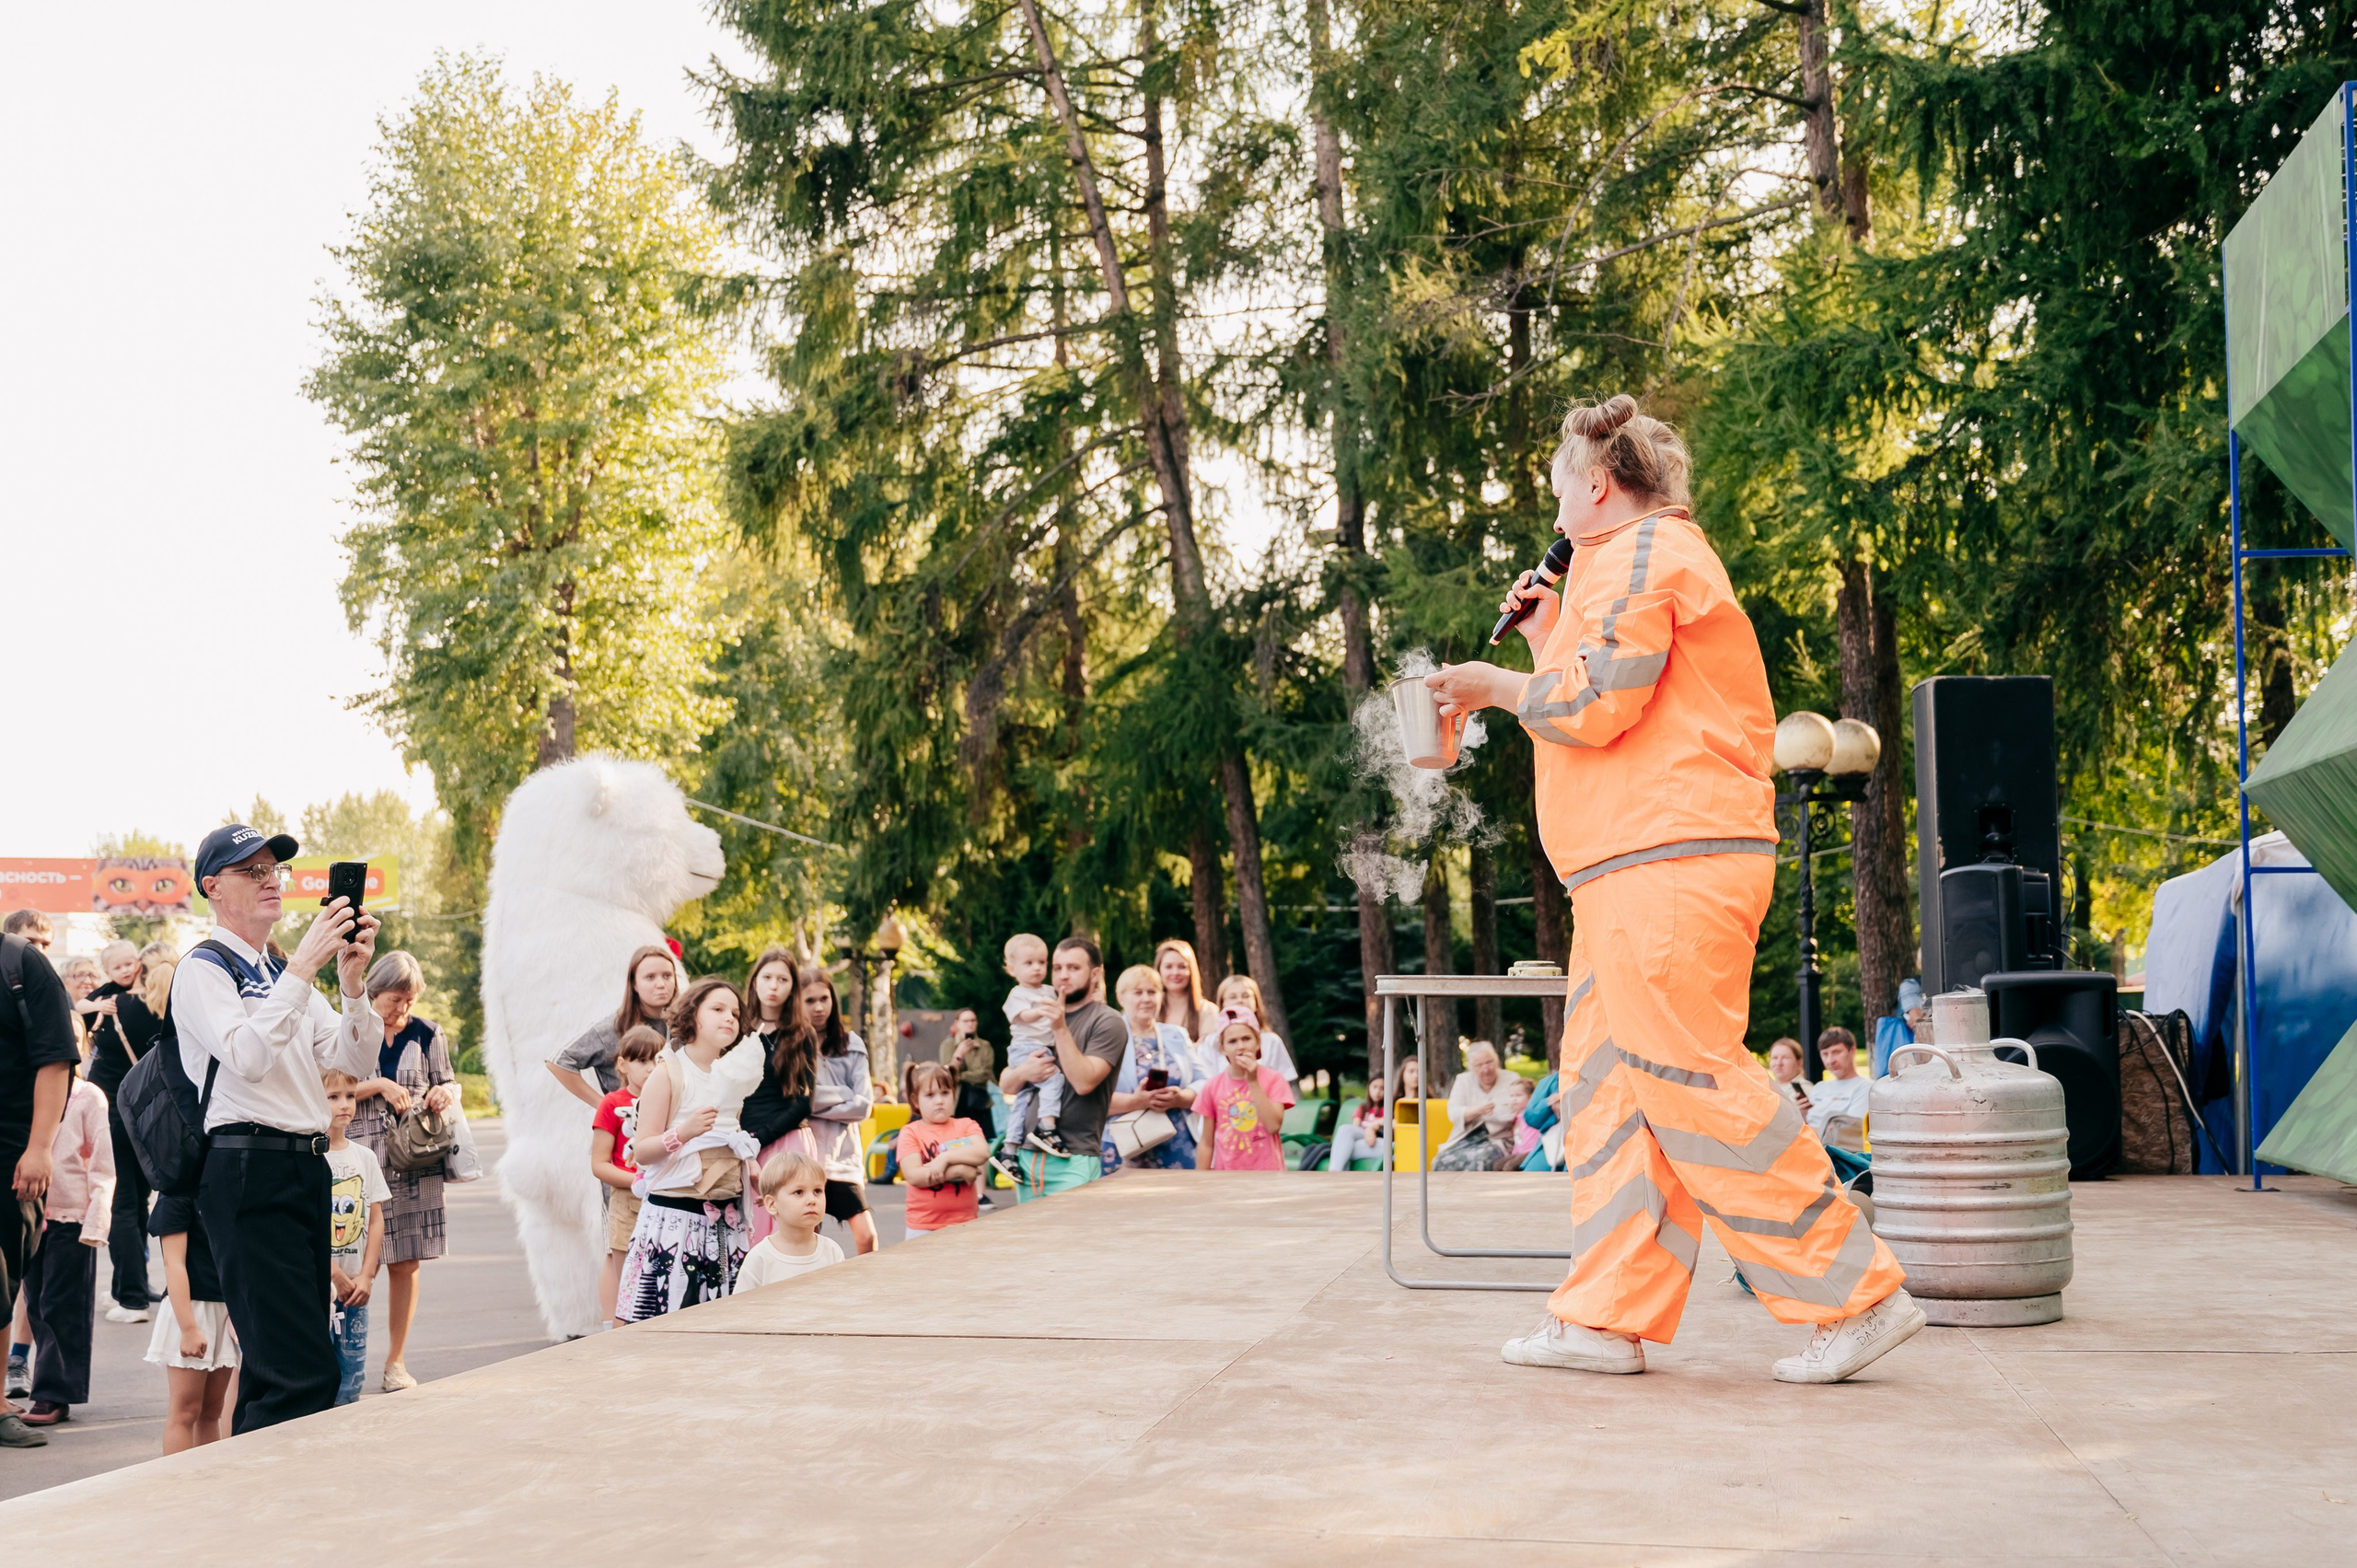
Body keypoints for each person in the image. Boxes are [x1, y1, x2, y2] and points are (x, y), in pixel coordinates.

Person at [1424, 394, 1917, 1386]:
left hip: (1670, 859)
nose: (1553, 508)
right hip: (1628, 869)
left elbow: (1599, 701)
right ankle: (1607, 1316)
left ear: (1598, 484)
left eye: (1559, 487)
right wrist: (1543, 638)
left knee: (1691, 1080)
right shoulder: (1618, 563)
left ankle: (1854, 1292)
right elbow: (1600, 693)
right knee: (1606, 1093)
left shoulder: (1646, 552)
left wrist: (1493, 685)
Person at [174, 822, 384, 1432]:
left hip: (302, 1165)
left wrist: (351, 984)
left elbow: (353, 1059)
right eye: (253, 871)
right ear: (213, 886)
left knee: (282, 1365)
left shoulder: (279, 970)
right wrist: (307, 965)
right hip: (248, 1163)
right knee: (298, 1369)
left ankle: (257, 1481)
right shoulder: (205, 968)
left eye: (275, 869)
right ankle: (284, 1483)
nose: (272, 881)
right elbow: (247, 1055)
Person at [617, 978, 764, 1320]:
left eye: (735, 1013)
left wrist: (750, 1165)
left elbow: (730, 1133)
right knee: (666, 1320)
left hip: (725, 1219)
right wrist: (683, 1133)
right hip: (675, 1219)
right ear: (693, 1015)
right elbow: (643, 1150)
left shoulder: (732, 1075)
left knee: (722, 1322)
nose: (729, 1018)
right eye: (718, 1009)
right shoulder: (668, 1074)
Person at [346, 951, 456, 1392]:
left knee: (406, 1263)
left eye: (409, 1000)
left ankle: (395, 1363)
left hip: (415, 1160)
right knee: (353, 1260)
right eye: (395, 999)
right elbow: (326, 1086)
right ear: (374, 991)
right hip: (358, 1157)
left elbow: (447, 1080)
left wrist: (444, 1094)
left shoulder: (428, 1032)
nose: (402, 1009)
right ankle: (344, 1363)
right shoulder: (352, 1028)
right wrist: (379, 1086)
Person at [0, 912, 76, 1449]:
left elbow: (55, 1060)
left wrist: (39, 1148)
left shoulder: (20, 962)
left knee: (1, 1282)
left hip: (11, 1154)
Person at [997, 936, 1129, 1200]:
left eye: (1073, 968)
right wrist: (1023, 1072)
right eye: (1057, 968)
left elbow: (1084, 1082)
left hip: (1074, 1156)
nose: (1063, 975)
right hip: (1026, 1158)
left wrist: (1059, 1028)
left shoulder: (1107, 1021)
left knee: (1073, 1228)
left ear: (1095, 974)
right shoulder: (1040, 1012)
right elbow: (1007, 1084)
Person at [16, 1071, 112, 1427]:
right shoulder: (26, 1091)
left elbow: (103, 1165)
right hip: (29, 1209)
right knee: (35, 1303)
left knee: (62, 1305)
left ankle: (54, 1393)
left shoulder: (89, 1097)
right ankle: (50, 1385)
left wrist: (96, 1222)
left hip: (72, 1216)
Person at [81, 939, 168, 1322]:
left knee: (122, 1204)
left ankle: (131, 1298)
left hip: (115, 1115)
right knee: (139, 1200)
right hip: (148, 1118)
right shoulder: (164, 1007)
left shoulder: (118, 1005)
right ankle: (130, 1285)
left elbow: (76, 1017)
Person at [790, 967, 879, 1254]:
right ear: (797, 1002)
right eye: (810, 1000)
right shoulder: (790, 1046)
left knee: (866, 1236)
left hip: (843, 1159)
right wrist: (843, 1093)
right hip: (804, 1156)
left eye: (824, 999)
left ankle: (869, 1281)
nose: (819, 1008)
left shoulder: (851, 1044)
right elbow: (793, 1101)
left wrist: (810, 1107)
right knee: (806, 1241)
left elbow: (863, 1106)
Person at [145, 1186, 237, 1453]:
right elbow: (173, 1263)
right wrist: (188, 1328)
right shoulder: (176, 1192)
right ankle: (178, 1478)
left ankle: (209, 1476)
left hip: (226, 1307)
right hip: (191, 1307)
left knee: (212, 1410)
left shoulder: (226, 1186)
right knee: (185, 1411)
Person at [322, 1070, 389, 1407]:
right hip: (319, 1288)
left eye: (350, 1096)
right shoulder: (309, 1157)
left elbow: (375, 1220)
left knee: (351, 1378)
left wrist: (366, 1275)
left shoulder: (365, 1157)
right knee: (318, 1376)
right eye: (333, 1097)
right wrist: (333, 1272)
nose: (345, 1105)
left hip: (355, 1290)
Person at [591, 1026, 664, 1328]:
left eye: (657, 1060)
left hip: (665, 1202)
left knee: (659, 1285)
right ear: (622, 1065)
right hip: (626, 1203)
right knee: (629, 1289)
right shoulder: (611, 1103)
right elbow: (599, 1164)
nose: (650, 1068)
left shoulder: (671, 1101)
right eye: (642, 1061)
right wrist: (636, 1181)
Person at [547, 943, 679, 1109]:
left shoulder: (683, 1024)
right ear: (634, 984)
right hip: (630, 1121)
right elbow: (559, 1062)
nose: (661, 984)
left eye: (667, 975)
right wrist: (606, 1106)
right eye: (650, 977)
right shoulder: (613, 1027)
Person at [1102, 964, 1202, 1173]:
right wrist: (1135, 1101)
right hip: (1124, 1146)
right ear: (1121, 998)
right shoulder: (1107, 1036)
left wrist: (1181, 1098)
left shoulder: (1176, 1035)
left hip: (1177, 1144)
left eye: (1152, 992)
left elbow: (1205, 1082)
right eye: (1138, 992)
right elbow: (1092, 1097)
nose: (1146, 998)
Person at [997, 933, 1070, 1158]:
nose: (1037, 968)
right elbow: (1024, 1016)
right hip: (1026, 1048)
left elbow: (1062, 1006)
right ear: (1012, 969)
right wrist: (1042, 1011)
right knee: (1055, 1079)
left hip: (1040, 1046)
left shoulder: (1048, 990)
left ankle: (1009, 1147)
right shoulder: (1017, 994)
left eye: (1041, 962)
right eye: (1028, 963)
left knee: (1023, 1098)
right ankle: (1046, 1126)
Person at [895, 1063, 988, 1235]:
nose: (939, 1101)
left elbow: (982, 1152)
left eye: (945, 1093)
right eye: (930, 1095)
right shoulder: (910, 1132)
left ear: (954, 1094)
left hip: (965, 1223)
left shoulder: (966, 1125)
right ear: (915, 1100)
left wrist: (945, 1158)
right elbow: (914, 1176)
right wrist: (959, 1170)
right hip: (923, 1226)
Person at [733, 1150, 843, 1291]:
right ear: (772, 1204)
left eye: (817, 1191)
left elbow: (844, 1296)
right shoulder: (760, 1258)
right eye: (798, 1192)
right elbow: (741, 1303)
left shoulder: (832, 1251)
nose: (812, 1200)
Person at [1197, 1010, 1295, 1170]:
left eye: (1246, 1039)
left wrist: (1253, 1081)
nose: (1241, 1046)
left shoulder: (1274, 1079)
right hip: (1227, 1175)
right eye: (1232, 1041)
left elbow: (1273, 1126)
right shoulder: (1212, 1086)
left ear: (1258, 1042)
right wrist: (1200, 1179)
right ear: (1222, 1048)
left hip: (1268, 1174)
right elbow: (1206, 1143)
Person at [1195, 973, 1297, 1087]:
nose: (1240, 1001)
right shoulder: (1211, 1043)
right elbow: (1205, 1084)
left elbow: (1283, 1084)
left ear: (1256, 1003)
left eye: (1246, 996)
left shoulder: (1271, 1041)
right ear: (1222, 1004)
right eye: (1232, 997)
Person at [1441, 1040, 1523, 1167]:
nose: (1486, 1069)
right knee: (1441, 1160)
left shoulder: (1512, 1079)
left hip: (1499, 1139)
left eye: (1489, 1062)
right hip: (1466, 1138)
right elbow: (1453, 1114)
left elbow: (1519, 1110)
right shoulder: (1463, 1081)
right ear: (1471, 1067)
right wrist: (1478, 1110)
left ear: (1496, 1061)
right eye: (1479, 1065)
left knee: (1481, 1160)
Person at [1805, 1028, 1871, 1154]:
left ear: (1852, 1050)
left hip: (1836, 1155)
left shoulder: (1865, 1087)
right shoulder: (1819, 1087)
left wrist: (1803, 1132)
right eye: (1825, 1054)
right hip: (1808, 1150)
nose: (1830, 1060)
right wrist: (1802, 1114)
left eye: (1836, 1052)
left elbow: (1847, 1132)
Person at [945, 1007, 996, 1143]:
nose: (970, 1024)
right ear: (957, 1023)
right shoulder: (948, 1045)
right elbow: (947, 1076)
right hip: (956, 1103)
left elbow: (984, 1075)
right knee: (956, 1141)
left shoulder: (985, 1046)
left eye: (973, 1020)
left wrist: (960, 1076)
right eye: (966, 1021)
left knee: (983, 1141)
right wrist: (958, 1054)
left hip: (979, 1102)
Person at [1152, 938, 1220, 1039]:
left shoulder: (1208, 1011)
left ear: (1191, 970)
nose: (1175, 972)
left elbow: (1207, 1046)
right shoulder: (1149, 1010)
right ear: (1159, 970)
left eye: (1182, 967)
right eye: (1168, 967)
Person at [1327, 1074, 1389, 1172]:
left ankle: (1335, 1173)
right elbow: (1354, 1129)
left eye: (1382, 1088)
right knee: (1345, 1130)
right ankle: (1335, 1172)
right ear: (1369, 1088)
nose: (1378, 1091)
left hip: (1376, 1141)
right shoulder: (1362, 1108)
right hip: (1361, 1138)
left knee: (1345, 1148)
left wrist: (1373, 1127)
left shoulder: (1387, 1109)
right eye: (1375, 1087)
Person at [1766, 1038, 1809, 1109]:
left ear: (1799, 1062)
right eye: (1775, 1058)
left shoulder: (1805, 1091)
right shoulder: (1765, 1088)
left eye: (1785, 1058)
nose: (1778, 1063)